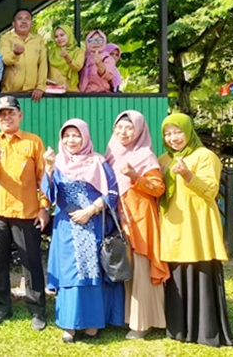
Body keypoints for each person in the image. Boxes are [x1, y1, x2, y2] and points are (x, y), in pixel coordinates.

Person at [159, 113, 233, 347]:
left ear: (189, 131)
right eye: (168, 133)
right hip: (173, 226)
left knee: (200, 273)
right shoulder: (164, 159)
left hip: (198, 225)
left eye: (178, 132)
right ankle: (178, 329)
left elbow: (211, 191)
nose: (173, 138)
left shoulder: (205, 156)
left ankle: (205, 330)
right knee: (177, 274)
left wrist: (187, 175)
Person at [42, 119, 125, 343]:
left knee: (92, 271)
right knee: (70, 274)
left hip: (92, 225)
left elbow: (113, 193)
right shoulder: (57, 162)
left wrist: (91, 210)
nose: (71, 140)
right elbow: (48, 195)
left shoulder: (98, 161)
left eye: (76, 135)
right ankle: (69, 324)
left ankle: (92, 322)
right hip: (66, 228)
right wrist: (48, 169)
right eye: (67, 135)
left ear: (85, 137)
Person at [0, 95, 49, 330]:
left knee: (31, 262)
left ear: (20, 115)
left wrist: (43, 207)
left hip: (27, 211)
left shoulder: (33, 142)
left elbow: (43, 178)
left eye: (11, 113)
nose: (6, 117)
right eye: (2, 114)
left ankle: (37, 310)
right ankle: (2, 307)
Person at [104, 110, 168, 340]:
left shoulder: (145, 156)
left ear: (139, 130)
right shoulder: (111, 153)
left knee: (142, 268)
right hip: (119, 218)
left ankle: (145, 322)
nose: (123, 132)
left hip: (140, 217)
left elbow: (158, 189)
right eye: (119, 127)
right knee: (125, 268)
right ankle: (128, 316)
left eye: (129, 128)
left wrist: (134, 176)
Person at [0, 9, 47, 102]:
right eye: (20, 18)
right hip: (9, 93)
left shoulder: (38, 40)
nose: (24, 21)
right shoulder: (6, 38)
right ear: (13, 24)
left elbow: (43, 64)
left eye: (27, 19)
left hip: (33, 94)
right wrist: (15, 53)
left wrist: (40, 87)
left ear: (31, 23)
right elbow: (5, 60)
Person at [46, 25, 84, 92]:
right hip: (53, 92)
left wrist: (67, 57)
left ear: (69, 35)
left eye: (62, 35)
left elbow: (78, 67)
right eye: (56, 36)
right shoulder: (51, 52)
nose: (59, 38)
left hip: (71, 92)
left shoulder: (78, 52)